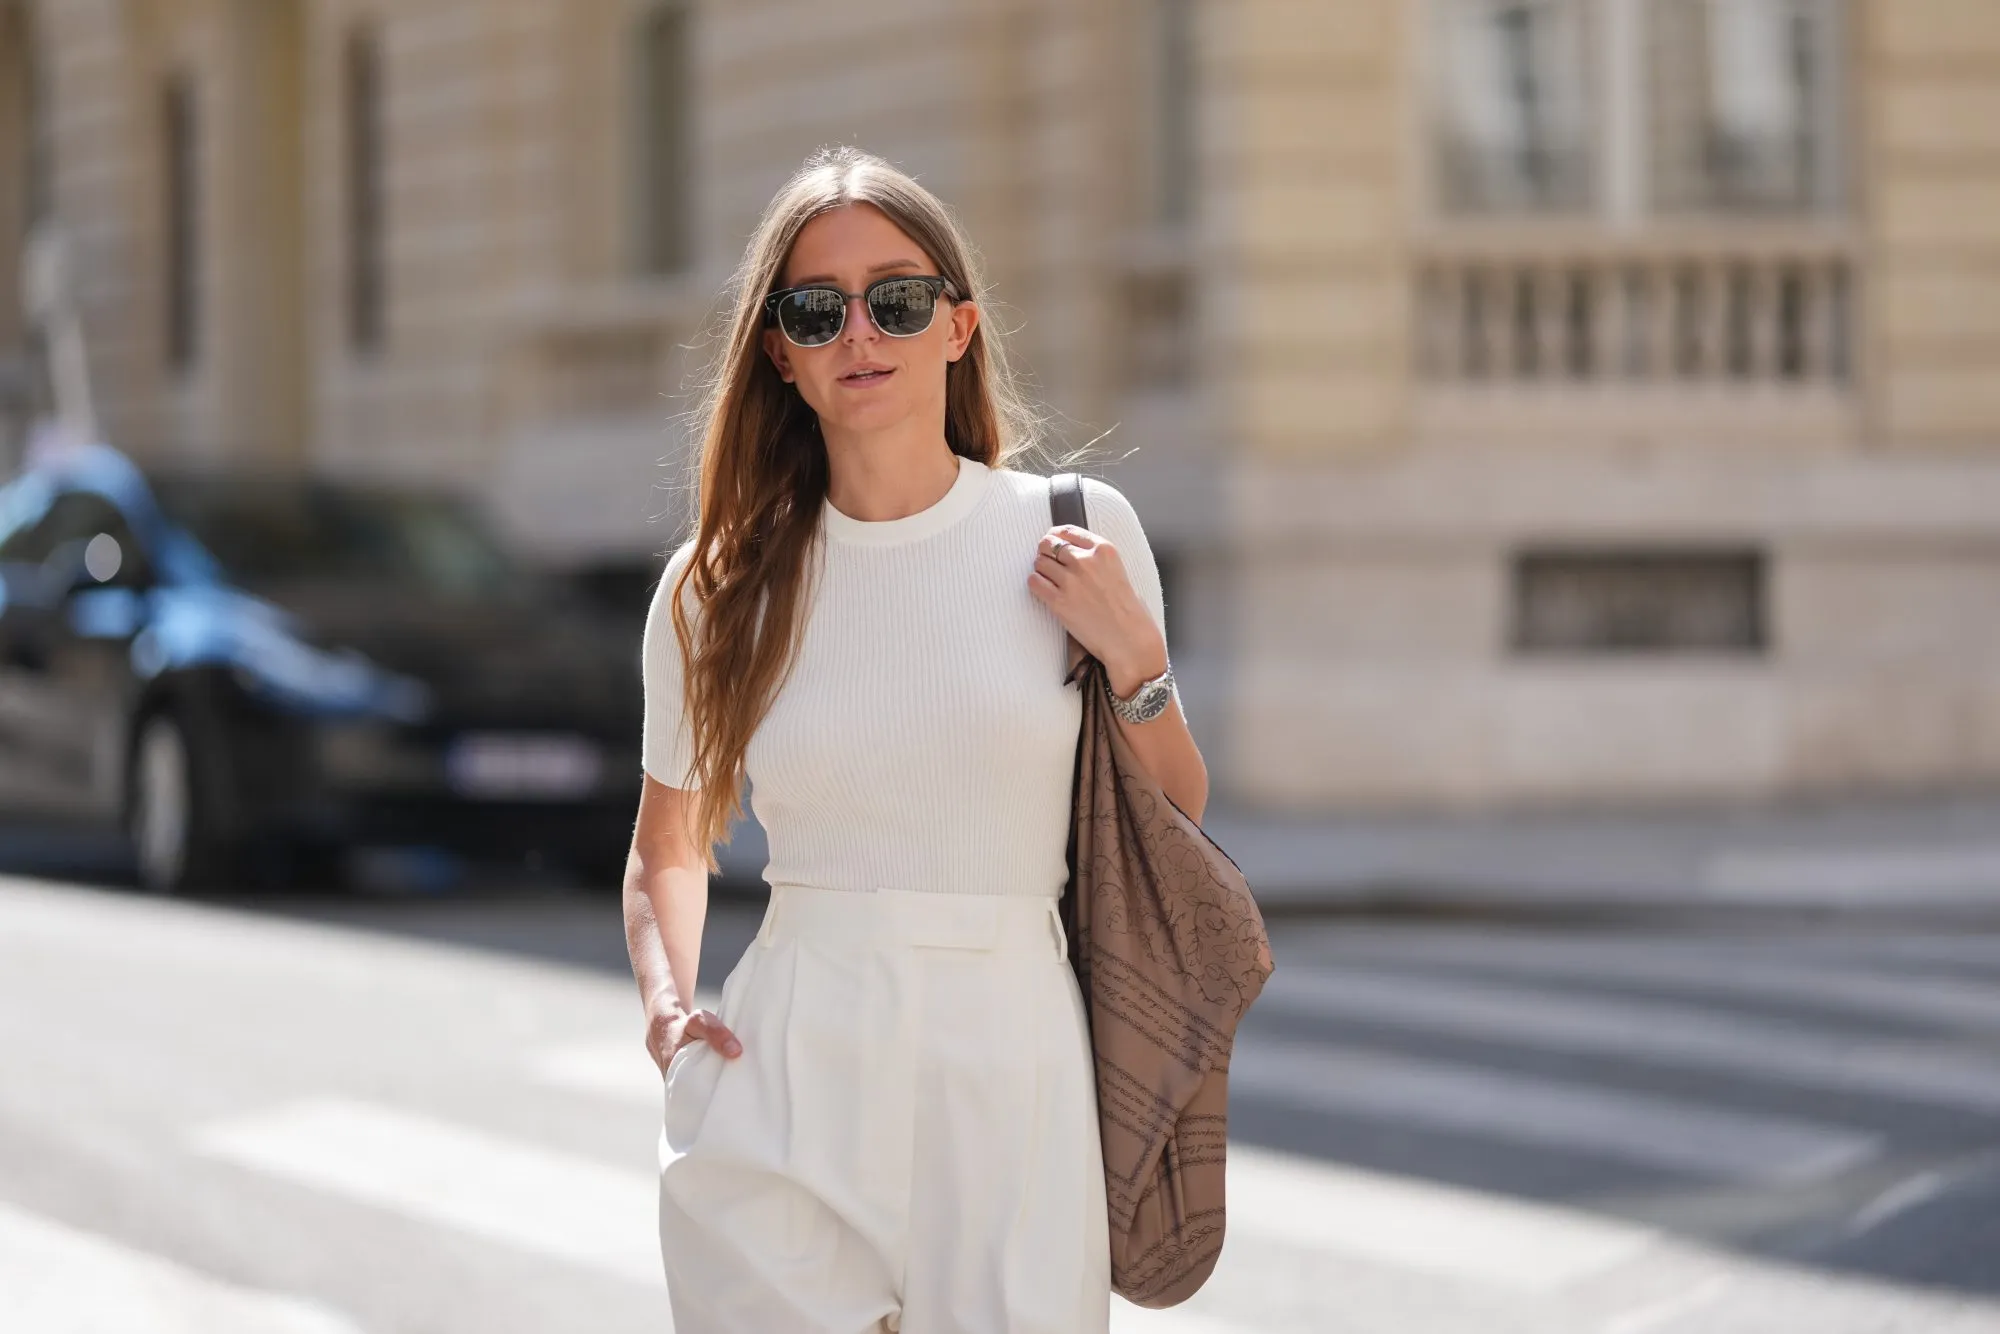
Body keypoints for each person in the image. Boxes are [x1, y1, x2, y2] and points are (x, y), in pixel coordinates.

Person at [622, 145, 1210, 1334]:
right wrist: (669, 1013)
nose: (859, 331)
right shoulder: (714, 587)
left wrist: (1135, 660)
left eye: (895, 298)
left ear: (957, 325)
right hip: (787, 1066)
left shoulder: (1074, 531)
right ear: (779, 353)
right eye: (816, 309)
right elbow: (665, 844)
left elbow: (1177, 814)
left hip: (1013, 1063)